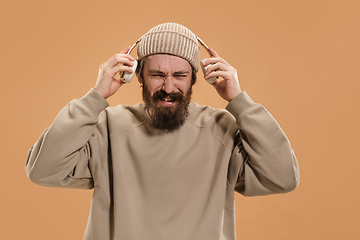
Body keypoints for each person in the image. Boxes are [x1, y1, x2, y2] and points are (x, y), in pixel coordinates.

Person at [25, 22, 299, 240]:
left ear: (195, 77)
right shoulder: (107, 126)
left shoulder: (221, 127)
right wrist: (95, 96)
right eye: (157, 75)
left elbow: (282, 178)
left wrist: (239, 101)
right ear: (138, 75)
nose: (169, 87)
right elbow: (43, 170)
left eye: (179, 75)